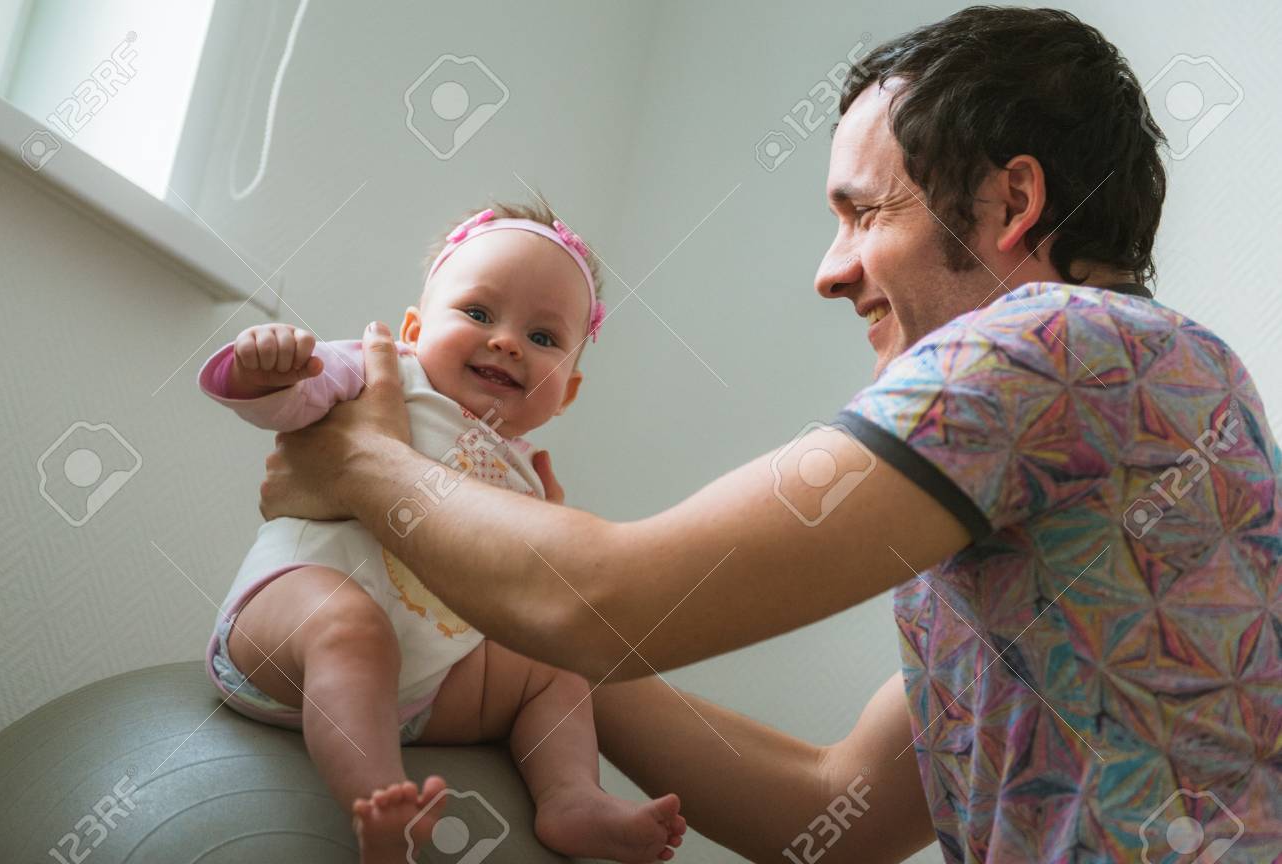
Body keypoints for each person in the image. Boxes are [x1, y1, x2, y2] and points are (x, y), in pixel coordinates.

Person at [257, 8, 1282, 862]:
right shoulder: (1116, 417)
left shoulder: (1051, 342)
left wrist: (355, 458)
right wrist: (529, 648)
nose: (829, 271)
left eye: (863, 213)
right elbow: (826, 813)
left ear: (1010, 202)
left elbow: (611, 604)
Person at [198, 202, 685, 863]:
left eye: (543, 338)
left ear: (565, 392)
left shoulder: (529, 479)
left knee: (555, 668)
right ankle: (383, 805)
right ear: (413, 328)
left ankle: (570, 797)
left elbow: (528, 593)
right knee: (351, 624)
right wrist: (262, 367)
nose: (508, 341)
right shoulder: (384, 372)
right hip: (288, 637)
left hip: (421, 689)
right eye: (479, 314)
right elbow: (284, 401)